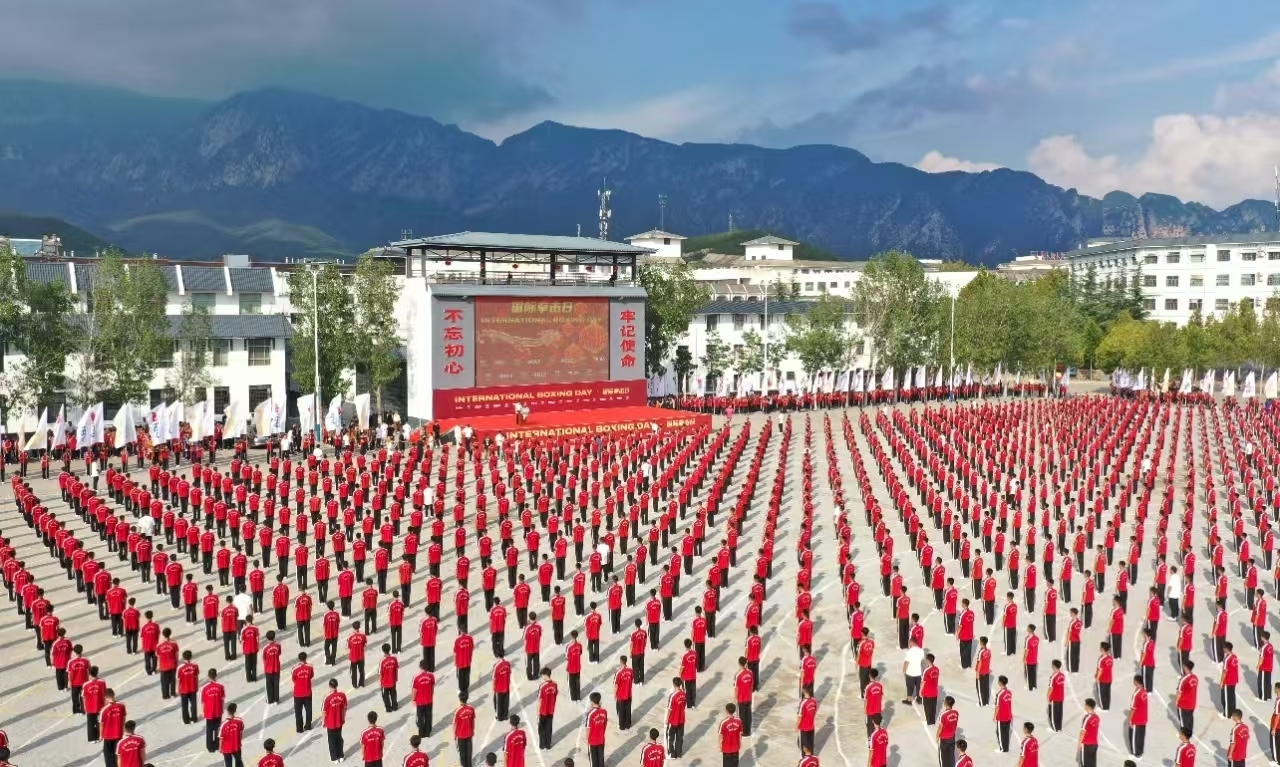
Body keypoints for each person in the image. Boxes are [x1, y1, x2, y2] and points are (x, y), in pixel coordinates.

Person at [324, 678, 347, 763]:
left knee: (331, 740)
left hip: (330, 723)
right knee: (339, 738)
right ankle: (341, 755)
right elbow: (345, 708)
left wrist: (323, 721)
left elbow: (324, 711)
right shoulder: (342, 695)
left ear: (330, 686)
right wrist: (343, 717)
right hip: (339, 721)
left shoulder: (327, 697)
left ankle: (334, 758)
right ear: (337, 685)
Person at [1127, 675, 1148, 759]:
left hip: (1136, 719)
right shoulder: (1144, 691)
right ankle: (1140, 751)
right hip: (1143, 718)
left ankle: (1135, 753)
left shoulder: (1136, 694)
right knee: (1141, 736)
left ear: (1135, 682)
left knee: (1134, 737)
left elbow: (1133, 708)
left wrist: (1130, 719)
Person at [586, 693, 608, 767]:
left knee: (593, 759)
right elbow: (605, 724)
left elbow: (588, 728)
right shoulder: (604, 712)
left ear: (592, 701)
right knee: (600, 757)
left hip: (592, 740)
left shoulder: (590, 714)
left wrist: (587, 739)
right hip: (601, 738)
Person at [220, 702, 246, 767]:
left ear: (227, 711)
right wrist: (239, 741)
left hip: (226, 748)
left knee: (228, 764)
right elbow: (241, 731)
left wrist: (220, 747)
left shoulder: (223, 724)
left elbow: (221, 737)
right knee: (239, 762)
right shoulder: (239, 721)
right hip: (236, 745)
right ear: (235, 711)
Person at [454, 695, 476, 767]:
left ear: (460, 700)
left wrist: (454, 735)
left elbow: (455, 724)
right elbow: (473, 720)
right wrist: (472, 730)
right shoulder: (471, 709)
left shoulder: (458, 711)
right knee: (469, 752)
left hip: (460, 735)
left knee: (462, 753)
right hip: (469, 734)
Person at [719, 703, 743, 767]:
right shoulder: (739, 721)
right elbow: (740, 733)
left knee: (727, 764)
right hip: (736, 747)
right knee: (735, 764)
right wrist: (740, 744)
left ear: (726, 711)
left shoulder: (723, 722)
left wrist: (720, 746)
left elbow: (721, 735)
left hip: (726, 748)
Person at [902, 639, 924, 704]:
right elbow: (922, 659)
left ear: (911, 643)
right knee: (918, 687)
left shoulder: (909, 652)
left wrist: (904, 671)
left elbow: (906, 662)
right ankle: (919, 699)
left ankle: (909, 700)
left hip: (910, 673)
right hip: (918, 673)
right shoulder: (921, 651)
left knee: (909, 687)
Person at [1078, 699, 1100, 767]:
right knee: (1092, 763)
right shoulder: (1096, 717)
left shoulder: (1087, 718)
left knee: (1085, 764)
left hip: (1087, 744)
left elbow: (1082, 732)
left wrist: (1079, 744)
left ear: (1087, 706)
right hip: (1094, 744)